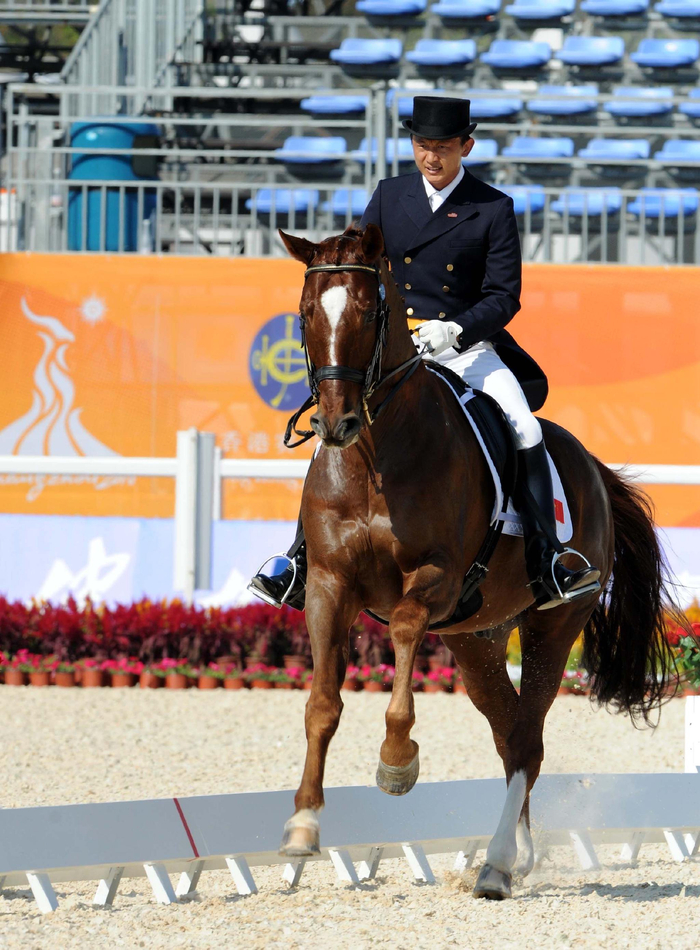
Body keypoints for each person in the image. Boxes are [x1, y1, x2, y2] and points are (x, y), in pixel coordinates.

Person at [249, 95, 600, 612]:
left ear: (466, 146)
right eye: (422, 146)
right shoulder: (391, 196)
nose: (430, 157)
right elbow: (358, 258)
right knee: (337, 430)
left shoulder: (491, 207)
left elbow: (505, 295)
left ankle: (546, 558)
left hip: (465, 350)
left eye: (442, 148)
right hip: (393, 355)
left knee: (524, 426)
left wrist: (454, 329)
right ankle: (299, 560)